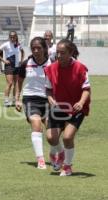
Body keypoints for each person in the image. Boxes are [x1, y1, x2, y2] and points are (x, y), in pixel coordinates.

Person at [44, 39, 91, 176]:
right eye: (57, 52)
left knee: (67, 137)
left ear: (71, 53)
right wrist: (51, 100)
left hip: (76, 108)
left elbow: (86, 89)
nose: (59, 56)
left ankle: (67, 166)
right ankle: (60, 153)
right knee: (51, 138)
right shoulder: (51, 69)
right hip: (58, 107)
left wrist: (81, 103)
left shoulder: (80, 68)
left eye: (63, 53)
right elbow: (48, 90)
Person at [15, 37, 53, 169]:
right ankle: (41, 160)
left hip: (48, 99)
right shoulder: (26, 63)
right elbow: (19, 81)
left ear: (44, 49)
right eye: (33, 48)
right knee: (36, 124)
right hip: (30, 99)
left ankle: (55, 154)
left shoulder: (52, 63)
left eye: (39, 48)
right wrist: (17, 99)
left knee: (51, 134)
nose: (36, 51)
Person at [0, 31, 24, 107]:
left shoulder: (18, 44)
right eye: (11, 36)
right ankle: (6, 101)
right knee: (10, 83)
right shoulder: (6, 44)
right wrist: (3, 60)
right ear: (9, 37)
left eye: (14, 36)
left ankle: (14, 100)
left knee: (16, 84)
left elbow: (22, 52)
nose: (12, 38)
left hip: (17, 66)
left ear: (16, 37)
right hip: (9, 66)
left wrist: (22, 60)